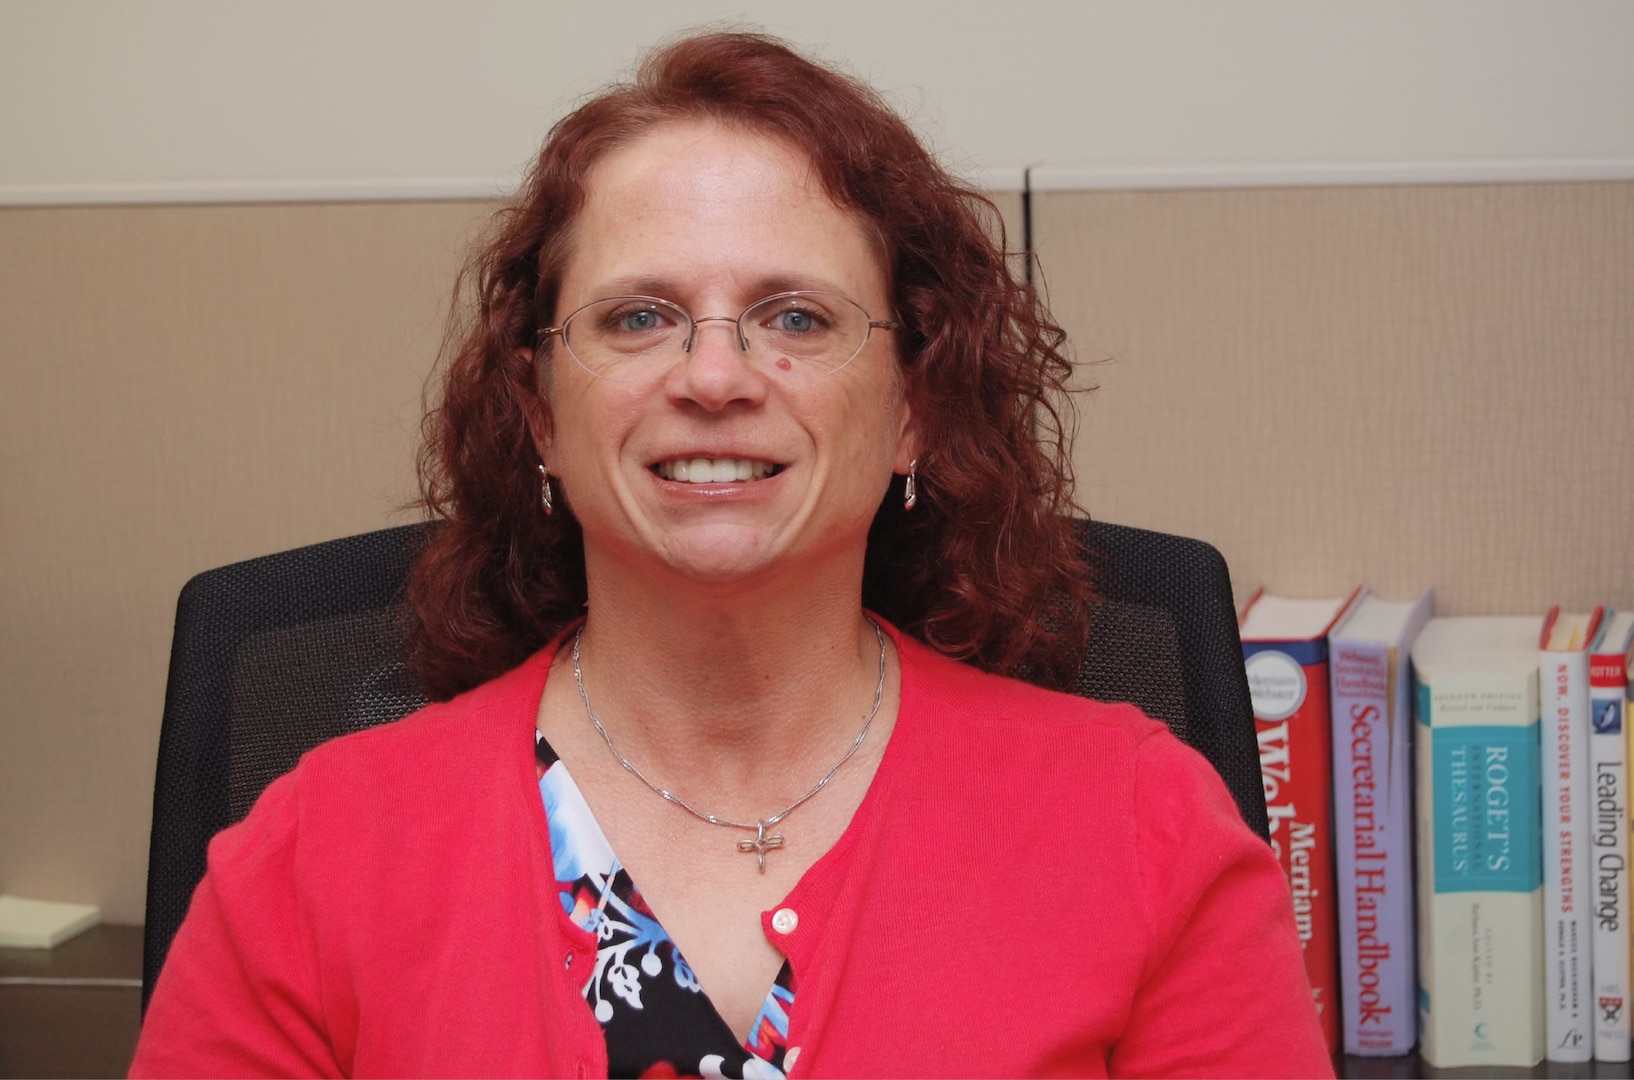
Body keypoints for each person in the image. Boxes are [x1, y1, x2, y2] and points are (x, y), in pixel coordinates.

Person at [132, 31, 1332, 1079]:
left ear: (913, 405)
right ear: (541, 412)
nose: (714, 378)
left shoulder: (1140, 826)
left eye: (796, 318)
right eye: (638, 316)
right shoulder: (314, 858)